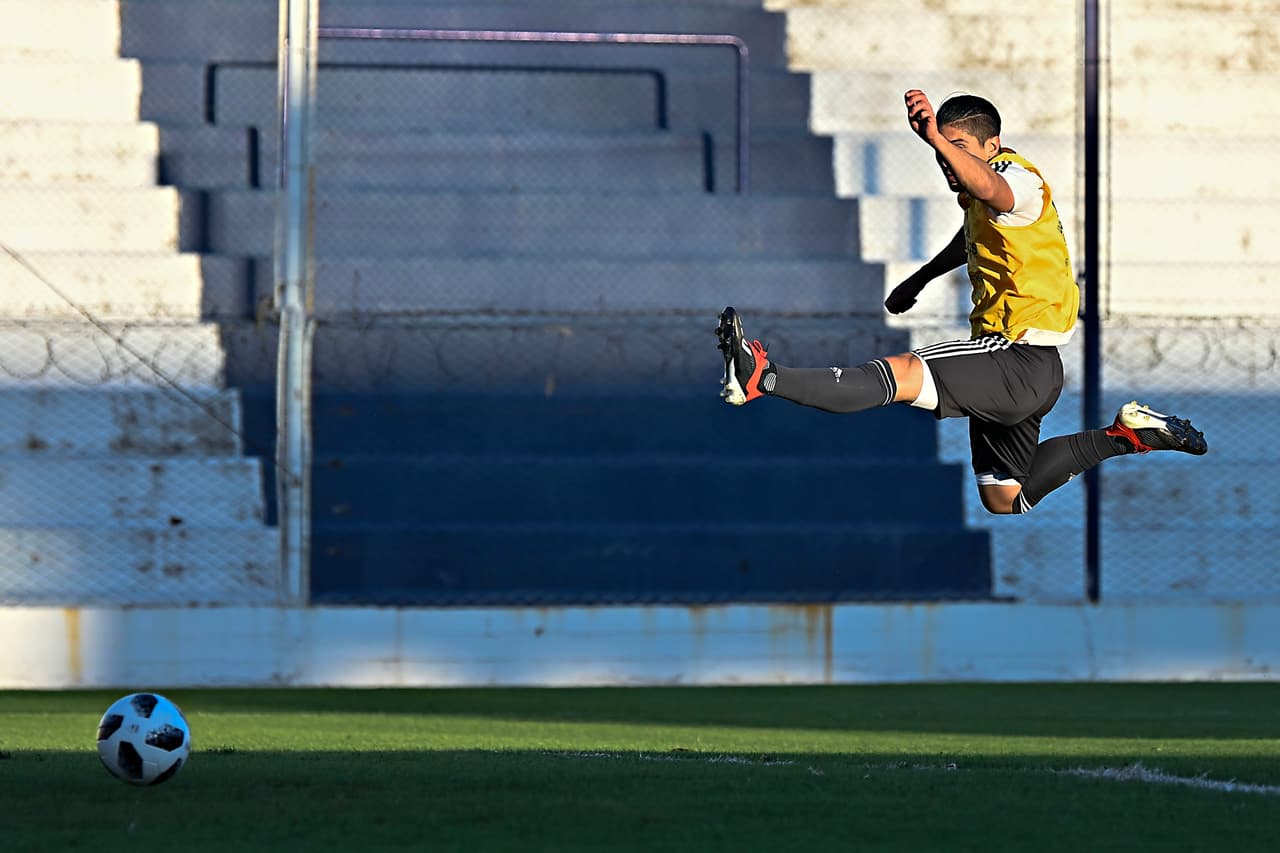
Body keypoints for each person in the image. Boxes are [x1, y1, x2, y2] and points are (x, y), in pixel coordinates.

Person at [716, 89, 1205, 515]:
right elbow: (973, 232)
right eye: (942, 150)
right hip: (1032, 372)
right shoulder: (982, 200)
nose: (947, 159)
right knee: (1005, 498)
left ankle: (765, 377)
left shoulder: (1019, 179)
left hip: (1014, 356)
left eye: (958, 148)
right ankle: (1125, 438)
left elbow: (991, 188)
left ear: (991, 147)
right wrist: (921, 278)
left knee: (897, 375)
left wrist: (933, 139)